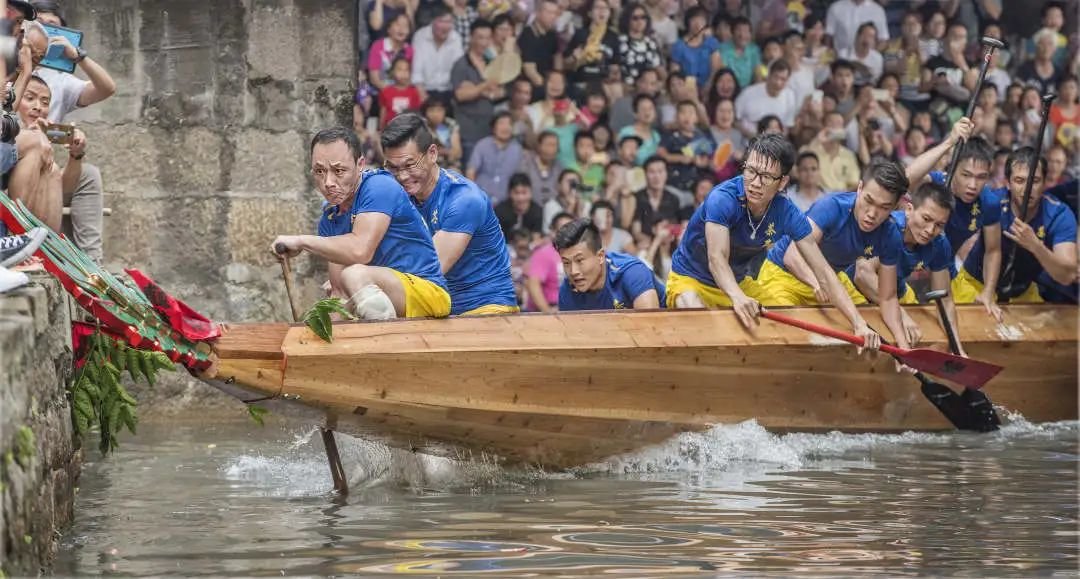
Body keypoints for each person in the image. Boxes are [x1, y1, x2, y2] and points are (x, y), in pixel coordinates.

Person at [668, 134, 881, 347]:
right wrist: (737, 297)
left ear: (783, 182)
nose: (755, 183)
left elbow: (824, 272)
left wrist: (858, 323)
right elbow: (717, 259)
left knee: (792, 326)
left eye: (767, 177)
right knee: (696, 320)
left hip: (740, 283)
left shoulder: (787, 213)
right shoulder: (722, 199)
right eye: (751, 171)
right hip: (691, 278)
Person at [271, 127, 450, 320]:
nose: (328, 182)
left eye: (339, 170)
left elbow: (360, 250)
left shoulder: (379, 186)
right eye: (319, 171)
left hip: (428, 294)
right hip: (385, 295)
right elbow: (339, 293)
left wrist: (302, 242)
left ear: (360, 165)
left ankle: (382, 343)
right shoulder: (330, 217)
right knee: (324, 312)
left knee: (354, 275)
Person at [757, 160, 914, 350]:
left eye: (884, 207)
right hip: (784, 275)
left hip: (833, 279)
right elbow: (792, 257)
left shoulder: (891, 234)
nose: (872, 213)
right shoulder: (831, 206)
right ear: (859, 188)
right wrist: (818, 283)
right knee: (785, 335)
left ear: (896, 206)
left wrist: (903, 347)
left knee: (871, 321)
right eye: (869, 201)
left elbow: (887, 298)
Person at [380, 113, 518, 316]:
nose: (402, 176)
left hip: (487, 308)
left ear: (432, 153)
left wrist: (370, 276)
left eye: (409, 165)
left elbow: (428, 271)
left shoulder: (463, 199)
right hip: (440, 311)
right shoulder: (400, 195)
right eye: (392, 167)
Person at [852, 181, 967, 356]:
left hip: (896, 294)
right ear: (909, 209)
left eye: (939, 225)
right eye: (926, 219)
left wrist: (958, 349)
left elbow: (945, 299)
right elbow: (862, 274)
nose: (930, 230)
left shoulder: (940, 242)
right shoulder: (889, 228)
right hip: (856, 291)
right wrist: (900, 315)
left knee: (930, 340)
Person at [905, 121, 1005, 319]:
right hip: (906, 270)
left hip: (945, 273)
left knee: (984, 316)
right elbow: (906, 178)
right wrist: (949, 143)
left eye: (981, 177)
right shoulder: (937, 184)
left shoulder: (989, 202)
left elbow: (993, 250)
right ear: (953, 167)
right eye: (966, 175)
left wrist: (987, 292)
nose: (972, 185)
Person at [956, 147, 1078, 304]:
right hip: (974, 284)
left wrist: (1036, 246)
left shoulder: (1059, 214)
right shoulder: (991, 201)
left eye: (1034, 181)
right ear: (1008, 183)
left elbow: (1066, 276)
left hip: (1023, 292)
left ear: (1045, 182)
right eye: (1019, 181)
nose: (1027, 189)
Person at [555, 218, 665, 310]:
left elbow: (649, 328)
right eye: (566, 263)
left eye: (579, 260)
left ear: (600, 256)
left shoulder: (632, 273)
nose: (573, 271)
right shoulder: (567, 291)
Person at [467, 111, 524, 203]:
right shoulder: (482, 145)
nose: (505, 127)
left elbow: (519, 178)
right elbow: (471, 171)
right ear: (493, 128)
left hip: (506, 201)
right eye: (501, 123)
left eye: (509, 124)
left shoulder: (517, 149)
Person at [525, 212, 575, 312]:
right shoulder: (544, 254)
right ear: (553, 232)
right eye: (563, 229)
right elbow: (533, 284)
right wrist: (548, 313)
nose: (568, 233)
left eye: (572, 229)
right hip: (551, 309)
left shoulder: (579, 252)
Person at [494, 172, 544, 239]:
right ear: (509, 194)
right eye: (516, 193)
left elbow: (536, 239)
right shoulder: (500, 211)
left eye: (524, 192)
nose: (521, 198)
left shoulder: (537, 211)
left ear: (531, 192)